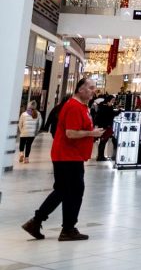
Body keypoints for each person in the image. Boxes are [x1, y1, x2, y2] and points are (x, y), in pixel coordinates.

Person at [22, 78, 104, 242]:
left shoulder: (81, 106)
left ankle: (39, 222)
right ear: (81, 89)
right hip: (68, 156)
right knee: (73, 191)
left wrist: (90, 131)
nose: (94, 91)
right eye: (91, 88)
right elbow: (71, 133)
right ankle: (66, 228)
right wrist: (91, 133)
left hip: (70, 155)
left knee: (64, 190)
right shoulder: (73, 107)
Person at [94, 95, 116, 162]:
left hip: (104, 126)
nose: (113, 102)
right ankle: (100, 157)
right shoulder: (107, 107)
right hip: (105, 126)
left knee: (103, 141)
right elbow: (111, 115)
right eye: (112, 100)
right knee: (103, 141)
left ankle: (100, 156)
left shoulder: (103, 106)